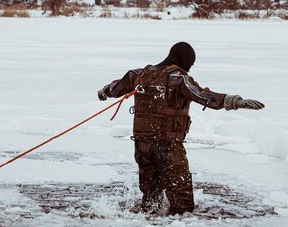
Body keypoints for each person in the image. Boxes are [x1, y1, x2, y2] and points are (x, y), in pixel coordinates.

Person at [97, 42, 265, 215]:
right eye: (190, 65)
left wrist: (104, 91)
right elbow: (204, 96)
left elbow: (116, 88)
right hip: (168, 147)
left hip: (142, 147)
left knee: (151, 201)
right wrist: (235, 101)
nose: (189, 69)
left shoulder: (139, 74)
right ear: (184, 60)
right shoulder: (179, 78)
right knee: (183, 205)